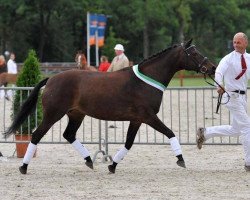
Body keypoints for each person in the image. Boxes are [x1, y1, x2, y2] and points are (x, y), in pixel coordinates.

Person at [196, 32, 250, 172]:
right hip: (231, 97)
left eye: (238, 42)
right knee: (247, 128)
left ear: (246, 43)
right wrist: (219, 85)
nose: (235, 45)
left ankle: (205, 132)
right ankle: (248, 163)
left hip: (243, 97)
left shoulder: (248, 58)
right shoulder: (228, 59)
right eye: (234, 42)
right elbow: (219, 72)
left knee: (235, 130)